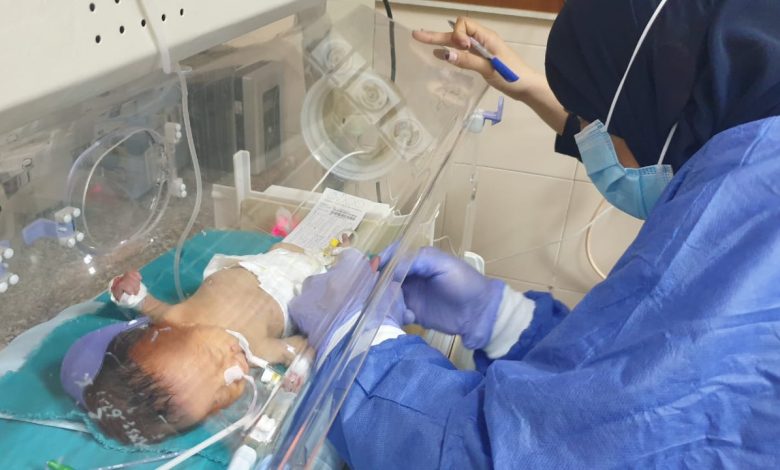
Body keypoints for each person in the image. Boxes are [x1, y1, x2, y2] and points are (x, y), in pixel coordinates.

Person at [288, 1, 780, 467]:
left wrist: (355, 348)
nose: (593, 147)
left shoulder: (751, 211)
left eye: (594, 126)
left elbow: (534, 454)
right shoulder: (750, 164)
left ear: (654, 108)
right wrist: (505, 320)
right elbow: (624, 378)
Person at [60, 241, 329, 445]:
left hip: (251, 265)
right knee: (314, 262)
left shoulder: (177, 319)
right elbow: (298, 347)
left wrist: (130, 294)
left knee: (282, 247)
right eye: (219, 396)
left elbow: (149, 305)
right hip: (300, 284)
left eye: (213, 356)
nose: (234, 368)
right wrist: (300, 366)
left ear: (170, 333)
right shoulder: (259, 350)